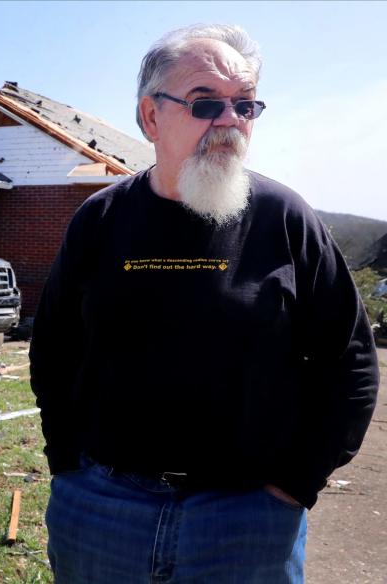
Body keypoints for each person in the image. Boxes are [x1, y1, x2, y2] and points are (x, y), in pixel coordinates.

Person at [29, 23, 379, 583]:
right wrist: (66, 464)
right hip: (102, 510)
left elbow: (351, 363)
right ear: (150, 116)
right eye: (206, 103)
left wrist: (294, 484)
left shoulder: (285, 219)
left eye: (245, 106)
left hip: (246, 521)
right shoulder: (99, 221)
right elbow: (53, 348)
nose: (230, 121)